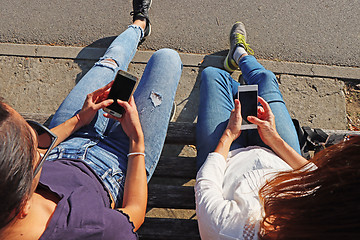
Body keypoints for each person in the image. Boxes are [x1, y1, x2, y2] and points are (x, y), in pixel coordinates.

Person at [0, 0, 183, 239]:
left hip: (74, 132)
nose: (40, 145)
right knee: (167, 58)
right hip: (120, 161)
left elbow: (47, 144)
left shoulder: (8, 188)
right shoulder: (94, 231)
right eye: (33, 152)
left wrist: (79, 118)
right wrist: (137, 140)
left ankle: (139, 25)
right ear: (23, 205)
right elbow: (134, 215)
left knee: (109, 64)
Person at [195, 22, 360, 240]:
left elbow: (206, 183)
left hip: (226, 160)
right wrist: (274, 139)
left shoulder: (227, 229)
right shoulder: (328, 205)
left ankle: (239, 75)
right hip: (276, 150)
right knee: (265, 80)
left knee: (215, 76)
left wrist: (229, 135)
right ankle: (240, 56)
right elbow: (312, 174)